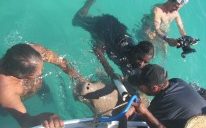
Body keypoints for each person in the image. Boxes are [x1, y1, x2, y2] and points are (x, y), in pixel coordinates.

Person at [72, 0, 154, 78]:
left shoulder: (135, 64)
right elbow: (97, 50)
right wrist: (110, 72)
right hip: (104, 27)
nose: (141, 64)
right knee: (77, 20)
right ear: (135, 51)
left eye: (145, 62)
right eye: (140, 59)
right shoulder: (122, 50)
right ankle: (89, 3)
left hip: (116, 30)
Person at [0, 43, 71, 128]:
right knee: (4, 112)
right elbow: (26, 122)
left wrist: (79, 79)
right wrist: (44, 117)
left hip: (29, 81)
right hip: (5, 104)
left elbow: (62, 62)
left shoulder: (32, 53)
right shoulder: (5, 91)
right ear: (22, 77)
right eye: (38, 74)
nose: (42, 71)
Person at [126, 64, 206, 128]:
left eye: (141, 86)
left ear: (154, 88)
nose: (140, 88)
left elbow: (154, 123)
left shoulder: (161, 102)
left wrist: (144, 112)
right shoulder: (177, 81)